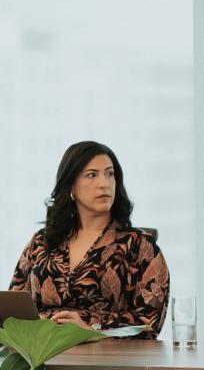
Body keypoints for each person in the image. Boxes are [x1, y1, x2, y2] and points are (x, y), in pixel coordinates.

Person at [9, 141, 169, 337]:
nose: (104, 183)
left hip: (104, 353)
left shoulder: (140, 246)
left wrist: (90, 330)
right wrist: (39, 324)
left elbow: (149, 323)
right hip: (41, 349)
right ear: (71, 186)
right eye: (92, 175)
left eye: (110, 174)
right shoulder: (41, 242)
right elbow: (12, 310)